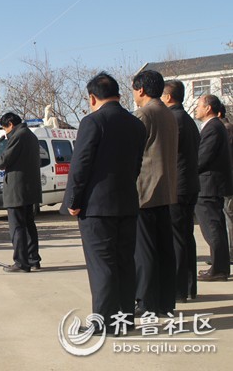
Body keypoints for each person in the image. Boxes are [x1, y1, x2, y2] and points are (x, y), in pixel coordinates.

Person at [63, 72, 146, 332]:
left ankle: (104, 322)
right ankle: (124, 319)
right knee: (124, 262)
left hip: (97, 206)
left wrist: (73, 200)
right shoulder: (136, 124)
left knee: (102, 265)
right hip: (127, 202)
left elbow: (80, 165)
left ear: (92, 97)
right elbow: (136, 165)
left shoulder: (93, 122)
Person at [131, 70, 178, 315]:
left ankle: (146, 302)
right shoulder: (168, 114)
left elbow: (132, 153)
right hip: (166, 190)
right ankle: (165, 302)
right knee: (164, 249)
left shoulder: (143, 114)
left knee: (145, 251)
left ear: (141, 90)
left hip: (146, 191)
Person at [0, 113, 41, 273]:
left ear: (11, 124)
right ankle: (33, 259)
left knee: (17, 226)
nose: (5, 132)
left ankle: (21, 262)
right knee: (28, 225)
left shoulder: (18, 136)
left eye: (5, 128)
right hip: (28, 187)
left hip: (17, 188)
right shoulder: (31, 135)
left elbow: (6, 158)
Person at [161, 80, 200, 301]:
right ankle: (189, 286)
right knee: (186, 237)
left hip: (178, 186)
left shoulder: (173, 119)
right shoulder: (187, 119)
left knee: (177, 238)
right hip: (189, 185)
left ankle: (178, 289)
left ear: (168, 97)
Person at [194, 94, 233, 281]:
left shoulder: (213, 127)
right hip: (212, 183)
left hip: (208, 184)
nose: (196, 108)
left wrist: (187, 170)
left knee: (212, 227)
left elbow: (203, 157)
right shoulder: (215, 127)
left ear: (208, 108)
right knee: (215, 225)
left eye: (199, 105)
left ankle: (218, 269)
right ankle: (221, 267)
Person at [215, 105, 233, 262]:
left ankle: (230, 254)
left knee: (228, 217)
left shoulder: (225, 129)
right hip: (226, 180)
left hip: (227, 181)